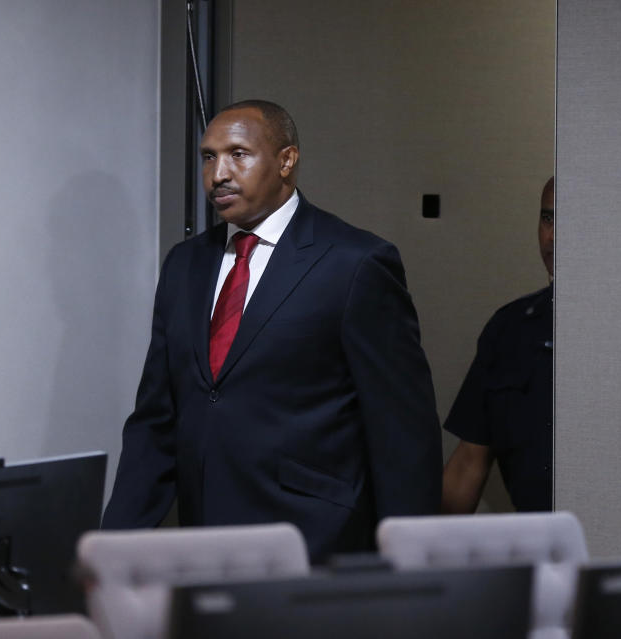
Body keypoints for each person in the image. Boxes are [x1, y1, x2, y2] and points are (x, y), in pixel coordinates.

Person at [102, 100, 442, 561]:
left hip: (318, 542)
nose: (219, 173)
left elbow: (403, 435)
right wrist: (111, 548)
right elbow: (156, 420)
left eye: (238, 154)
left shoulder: (354, 263)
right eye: (208, 157)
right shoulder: (185, 265)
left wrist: (411, 568)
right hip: (205, 542)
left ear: (286, 160)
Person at [441, 176, 555, 513]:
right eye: (547, 218)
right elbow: (468, 464)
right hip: (534, 543)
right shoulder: (510, 329)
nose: (553, 237)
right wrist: (425, 552)